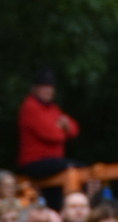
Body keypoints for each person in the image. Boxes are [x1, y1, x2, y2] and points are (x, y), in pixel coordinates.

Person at [16, 68, 78, 206]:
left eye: (50, 87)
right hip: (35, 163)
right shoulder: (30, 107)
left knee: (57, 197)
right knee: (75, 168)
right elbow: (52, 135)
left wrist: (61, 126)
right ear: (35, 89)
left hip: (53, 163)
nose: (48, 91)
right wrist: (62, 127)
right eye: (44, 87)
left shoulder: (53, 108)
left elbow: (74, 130)